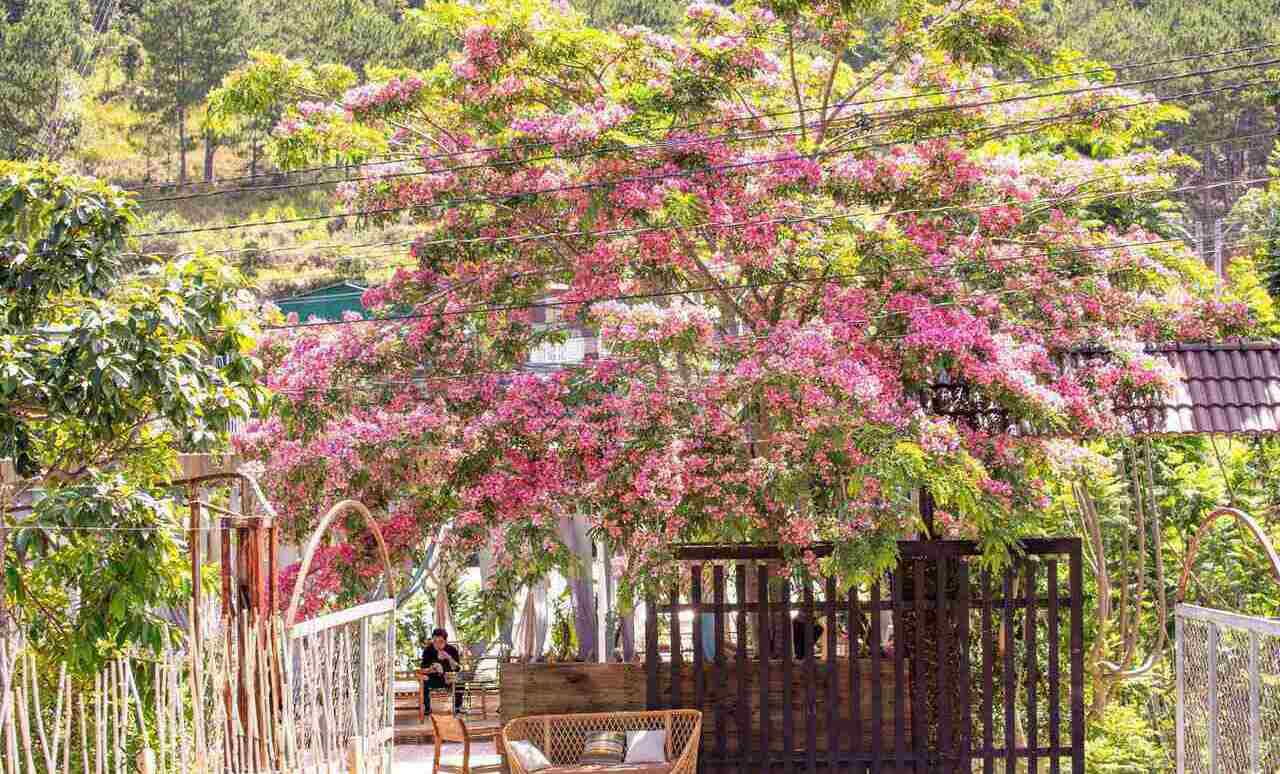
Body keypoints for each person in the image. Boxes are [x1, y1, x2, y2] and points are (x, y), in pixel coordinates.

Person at [421, 627, 463, 713]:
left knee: (460, 681)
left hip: (448, 678)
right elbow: (422, 669)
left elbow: (458, 668)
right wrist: (431, 669)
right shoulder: (428, 650)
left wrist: (449, 658)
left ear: (445, 641)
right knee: (423, 682)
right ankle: (427, 708)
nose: (437, 644)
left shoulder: (452, 649)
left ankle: (457, 707)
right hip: (433, 678)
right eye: (435, 641)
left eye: (440, 642)